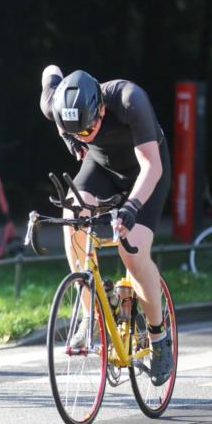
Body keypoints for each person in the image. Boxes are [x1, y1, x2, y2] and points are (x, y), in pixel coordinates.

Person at [40, 66, 173, 385]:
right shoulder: (57, 103)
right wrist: (69, 138)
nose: (86, 135)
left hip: (145, 170)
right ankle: (90, 318)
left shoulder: (129, 99)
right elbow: (50, 71)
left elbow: (151, 167)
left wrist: (131, 206)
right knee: (73, 215)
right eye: (79, 132)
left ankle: (158, 337)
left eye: (89, 128)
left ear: (100, 108)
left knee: (134, 253)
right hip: (101, 166)